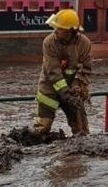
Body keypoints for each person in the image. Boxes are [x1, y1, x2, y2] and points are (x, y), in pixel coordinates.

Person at [33, 9, 91, 137]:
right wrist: (65, 94)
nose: (55, 31)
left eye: (59, 29)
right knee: (41, 129)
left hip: (73, 90)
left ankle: (79, 156)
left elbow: (85, 69)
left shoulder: (84, 44)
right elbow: (53, 72)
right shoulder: (49, 42)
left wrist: (76, 88)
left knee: (81, 131)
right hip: (49, 88)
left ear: (70, 31)